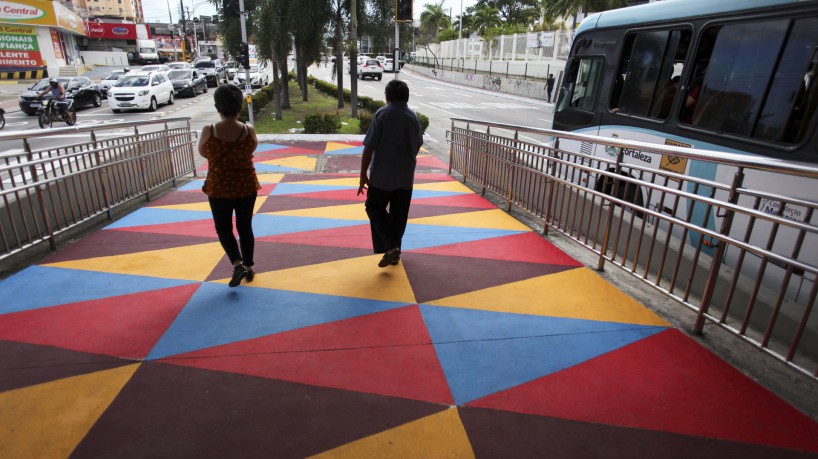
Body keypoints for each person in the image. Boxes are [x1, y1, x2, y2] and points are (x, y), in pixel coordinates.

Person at [199, 84, 261, 287]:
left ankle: (237, 264)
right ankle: (250, 267)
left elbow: (203, 153)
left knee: (224, 228)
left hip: (219, 188)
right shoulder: (247, 129)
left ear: (217, 106)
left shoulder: (209, 130)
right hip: (245, 186)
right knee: (245, 227)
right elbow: (252, 148)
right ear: (240, 107)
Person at [358, 79, 424, 268]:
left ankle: (390, 246)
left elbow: (369, 147)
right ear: (406, 96)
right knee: (399, 216)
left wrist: (363, 174)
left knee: (373, 207)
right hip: (405, 177)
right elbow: (417, 144)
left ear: (387, 96)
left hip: (382, 176)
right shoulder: (413, 117)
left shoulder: (382, 114)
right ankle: (394, 253)